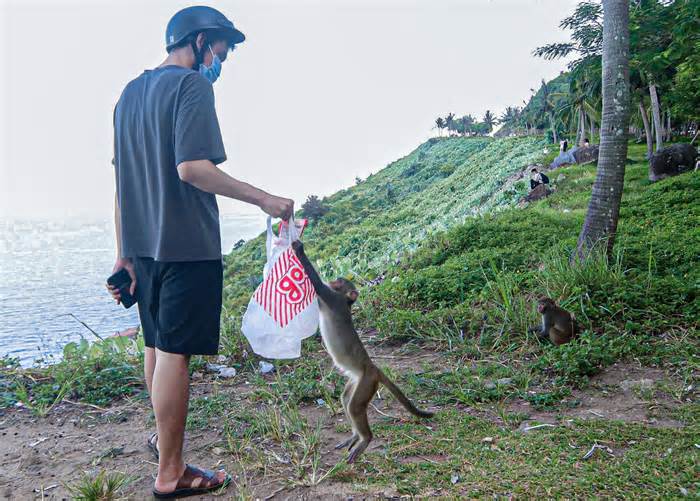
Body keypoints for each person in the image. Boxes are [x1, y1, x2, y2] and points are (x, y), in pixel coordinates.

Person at [106, 6, 293, 498]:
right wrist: (265, 198)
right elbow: (193, 168)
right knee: (174, 354)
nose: (222, 61)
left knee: (155, 346)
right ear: (201, 40)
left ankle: (163, 442)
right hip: (186, 244)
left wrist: (124, 253)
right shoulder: (192, 87)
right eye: (222, 50)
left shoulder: (128, 94)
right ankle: (171, 473)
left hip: (143, 248)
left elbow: (122, 181)